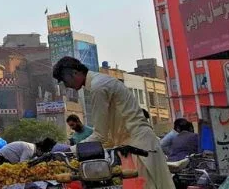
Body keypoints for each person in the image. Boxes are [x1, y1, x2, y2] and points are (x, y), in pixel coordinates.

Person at [53, 56, 174, 189]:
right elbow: (109, 137)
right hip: (136, 145)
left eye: (65, 81)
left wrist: (68, 150)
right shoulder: (101, 81)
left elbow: (101, 136)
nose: (66, 85)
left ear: (75, 73)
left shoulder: (98, 88)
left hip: (138, 147)